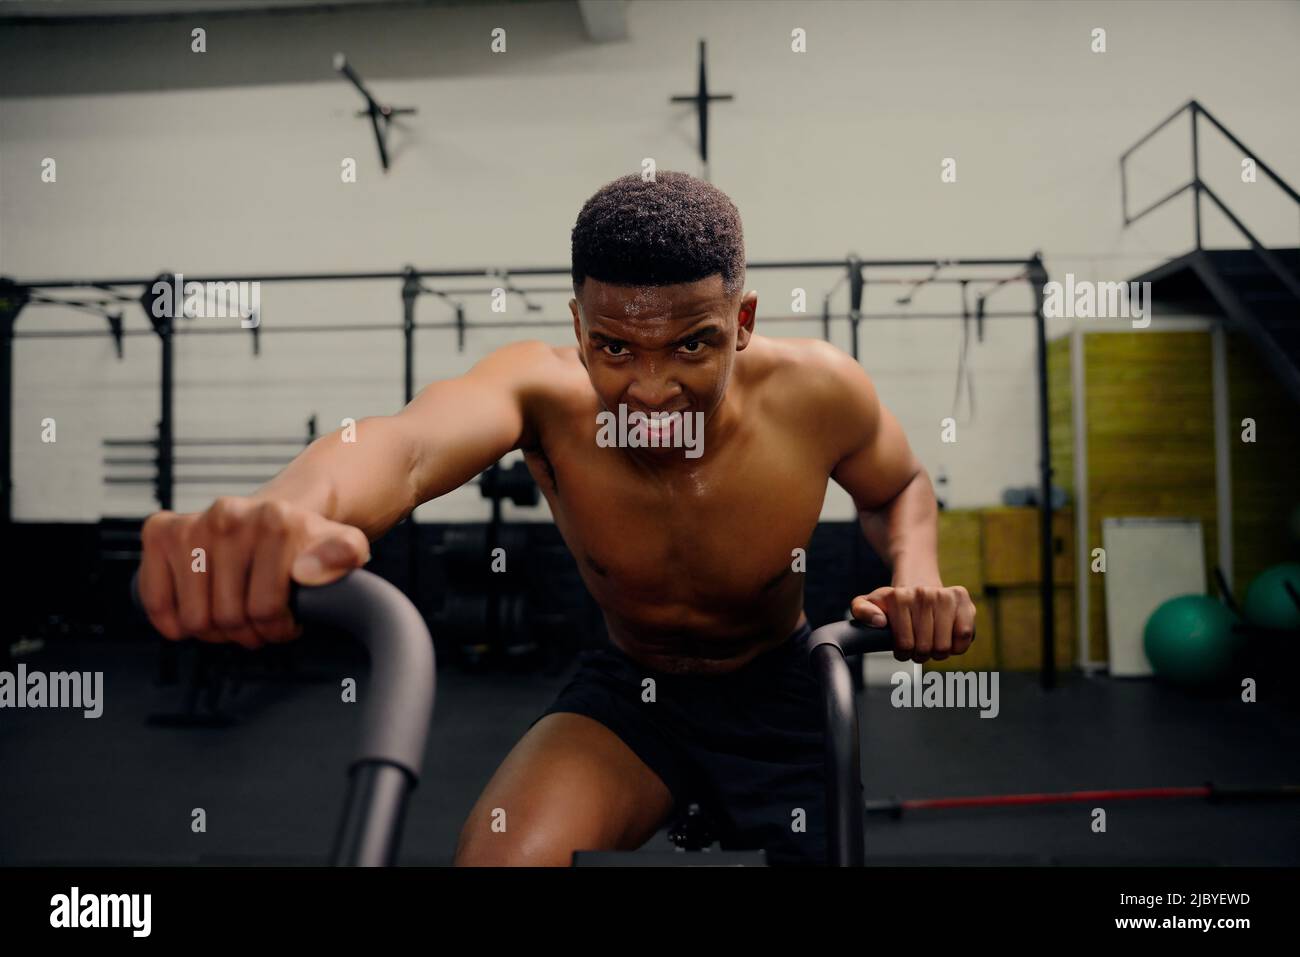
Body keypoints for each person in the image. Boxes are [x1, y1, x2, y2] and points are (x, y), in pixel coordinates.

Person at [137, 170, 977, 866]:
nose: (649, 390)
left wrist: (917, 575)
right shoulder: (542, 394)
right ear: (579, 331)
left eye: (692, 344)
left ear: (742, 323)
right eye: (615, 348)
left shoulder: (822, 392)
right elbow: (404, 446)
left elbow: (898, 487)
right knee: (498, 856)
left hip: (785, 692)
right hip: (630, 694)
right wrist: (282, 511)